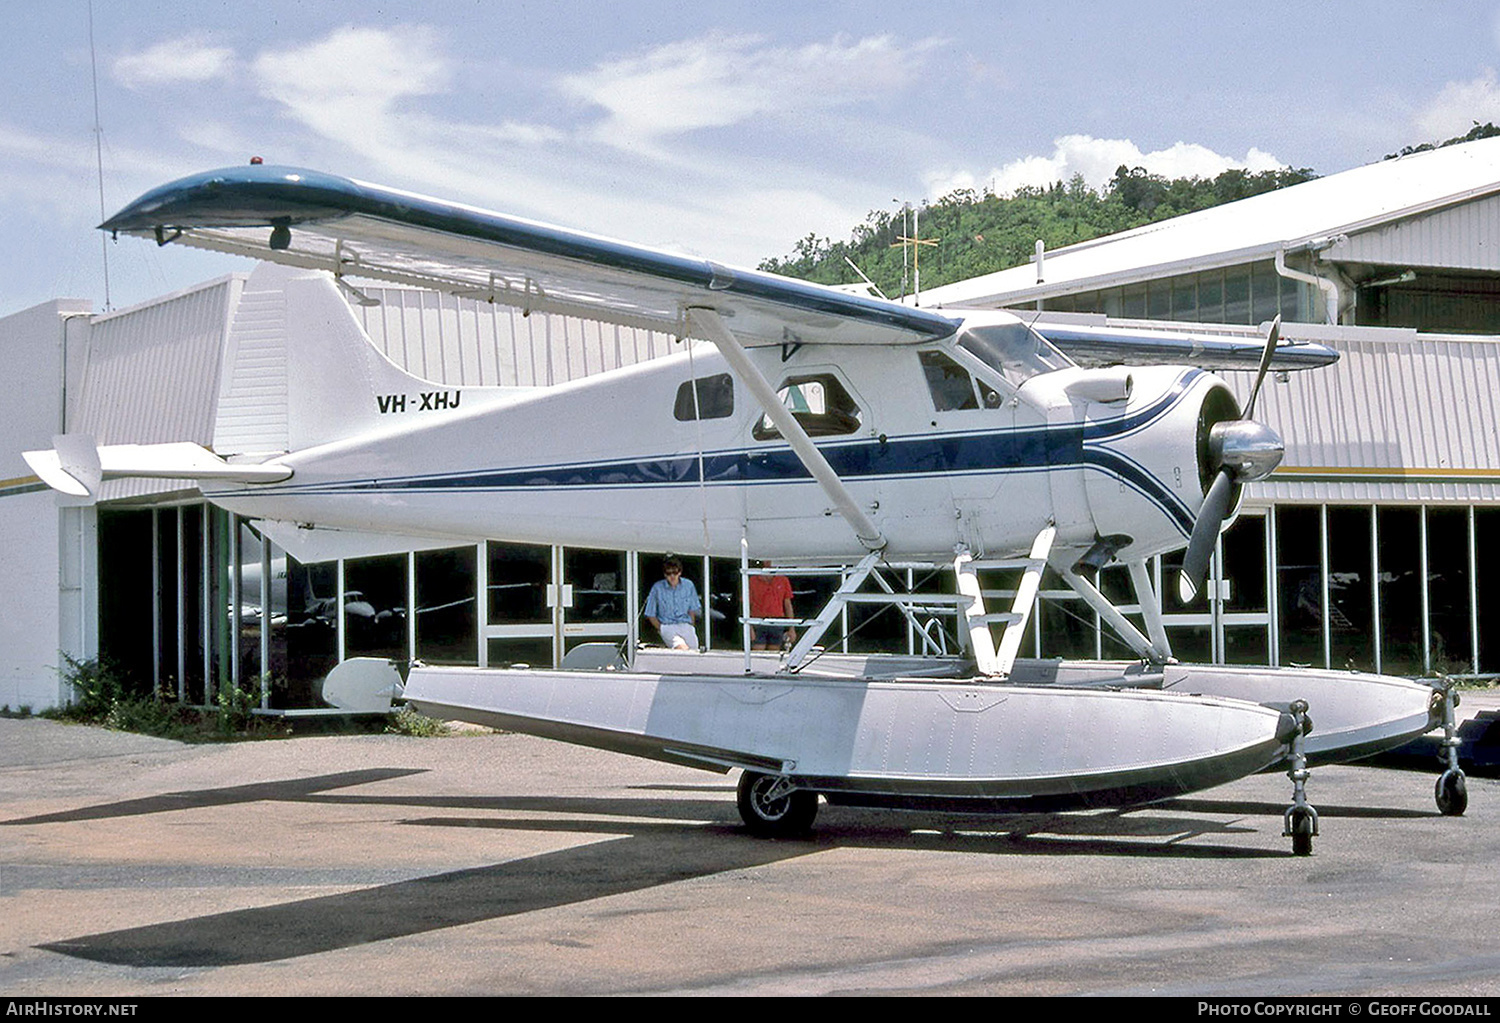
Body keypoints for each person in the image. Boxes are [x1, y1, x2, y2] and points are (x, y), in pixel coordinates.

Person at [644, 556, 701, 650]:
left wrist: (691, 625)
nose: (672, 576)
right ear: (665, 574)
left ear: (680, 572)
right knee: (682, 649)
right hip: (668, 626)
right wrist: (661, 628)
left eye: (675, 572)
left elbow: (692, 609)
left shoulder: (689, 585)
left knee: (695, 652)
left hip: (686, 625)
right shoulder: (657, 588)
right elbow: (650, 614)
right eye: (669, 573)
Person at [748, 561, 796, 650]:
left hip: (777, 621)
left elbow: (787, 605)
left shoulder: (783, 579)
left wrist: (791, 627)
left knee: (774, 653)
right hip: (758, 621)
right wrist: (749, 627)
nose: (769, 562)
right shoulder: (753, 580)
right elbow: (747, 605)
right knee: (757, 653)